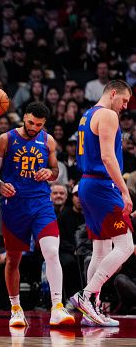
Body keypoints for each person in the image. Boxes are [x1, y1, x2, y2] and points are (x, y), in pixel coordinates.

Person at [0, 101, 74, 327]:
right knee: (13, 259)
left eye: (39, 124)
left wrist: (49, 172)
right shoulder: (5, 139)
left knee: (52, 252)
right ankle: (16, 308)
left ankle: (57, 307)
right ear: (24, 116)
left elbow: (55, 171)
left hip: (41, 204)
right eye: (31, 122)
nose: (34, 127)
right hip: (14, 205)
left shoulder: (48, 140)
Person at [72, 80, 135, 326]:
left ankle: (91, 310)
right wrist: (124, 191)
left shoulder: (87, 116)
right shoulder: (108, 114)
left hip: (88, 184)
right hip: (101, 184)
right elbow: (108, 157)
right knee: (126, 245)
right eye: (125, 100)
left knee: (101, 249)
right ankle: (86, 295)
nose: (125, 106)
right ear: (113, 93)